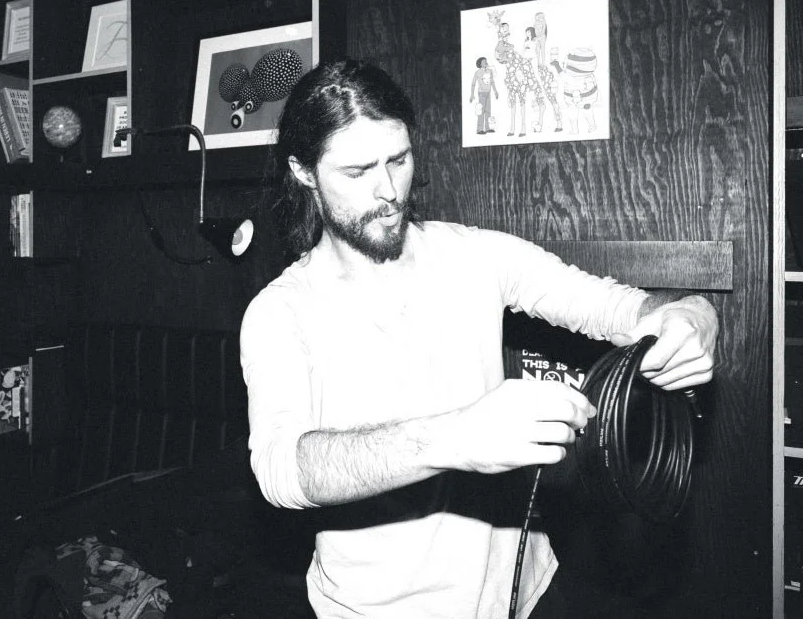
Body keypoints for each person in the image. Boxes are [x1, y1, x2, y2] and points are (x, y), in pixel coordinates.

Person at [239, 59, 717, 618]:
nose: (388, 190)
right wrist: (456, 437)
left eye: (399, 160)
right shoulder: (279, 312)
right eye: (357, 171)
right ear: (303, 171)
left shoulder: (478, 255)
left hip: (525, 594)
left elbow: (622, 307)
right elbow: (281, 470)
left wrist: (695, 313)